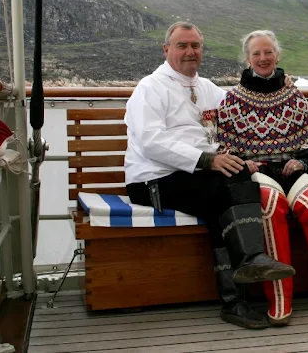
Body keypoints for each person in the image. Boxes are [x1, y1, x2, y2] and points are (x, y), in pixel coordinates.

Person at [124, 21, 295, 330]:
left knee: (228, 191)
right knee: (226, 188)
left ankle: (236, 297)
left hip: (197, 176)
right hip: (154, 181)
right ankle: (247, 269)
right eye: (182, 45)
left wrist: (280, 85)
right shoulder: (150, 88)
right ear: (166, 50)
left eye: (195, 46)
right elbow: (151, 143)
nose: (190, 52)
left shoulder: (207, 89)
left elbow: (245, 109)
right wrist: (208, 160)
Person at [215, 30, 308, 326]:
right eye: (256, 53)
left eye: (268, 52)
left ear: (277, 55)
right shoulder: (232, 100)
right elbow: (223, 144)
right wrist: (246, 163)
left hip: (293, 170)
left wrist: (304, 159)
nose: (263, 58)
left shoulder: (293, 94)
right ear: (247, 59)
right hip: (258, 173)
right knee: (268, 204)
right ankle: (280, 298)